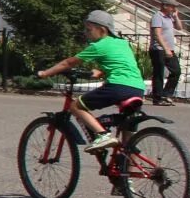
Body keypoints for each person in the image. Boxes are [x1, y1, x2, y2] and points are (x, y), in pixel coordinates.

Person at [37, 9, 147, 151]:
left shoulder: (98, 46)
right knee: (128, 138)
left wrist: (45, 73)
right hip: (137, 88)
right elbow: (122, 64)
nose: (86, 33)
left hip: (118, 87)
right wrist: (101, 71)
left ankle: (103, 135)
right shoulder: (122, 43)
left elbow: (68, 63)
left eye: (89, 30)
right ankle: (131, 170)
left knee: (76, 106)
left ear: (102, 30)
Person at [148, 2, 182, 105]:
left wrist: (176, 17)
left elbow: (179, 27)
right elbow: (157, 34)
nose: (174, 8)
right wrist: (165, 48)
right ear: (165, 6)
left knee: (176, 71)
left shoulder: (169, 17)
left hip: (169, 49)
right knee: (159, 73)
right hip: (158, 49)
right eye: (172, 6)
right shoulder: (157, 17)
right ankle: (157, 98)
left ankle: (166, 94)